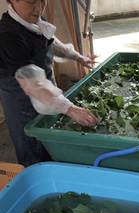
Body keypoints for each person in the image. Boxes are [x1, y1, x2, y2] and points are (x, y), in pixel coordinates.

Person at [0, 0, 99, 167]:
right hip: (23, 105)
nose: (39, 7)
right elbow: (34, 85)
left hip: (49, 96)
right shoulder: (7, 36)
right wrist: (70, 108)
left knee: (50, 143)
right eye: (31, 1)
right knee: (33, 150)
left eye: (42, 0)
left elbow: (51, 39)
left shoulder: (33, 19)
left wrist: (77, 57)